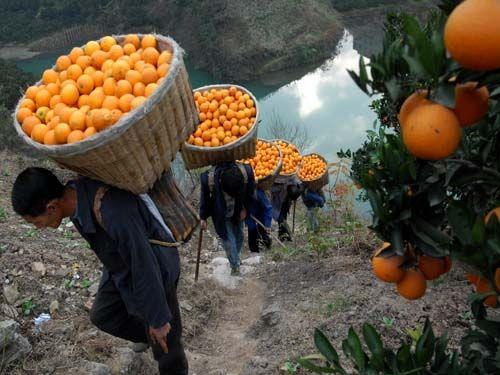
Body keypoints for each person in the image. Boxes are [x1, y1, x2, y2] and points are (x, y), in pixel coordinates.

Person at [11, 168, 188, 375]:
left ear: (51, 207)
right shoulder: (75, 202)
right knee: (103, 314)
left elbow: (143, 262)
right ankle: (150, 334)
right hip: (120, 265)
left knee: (167, 345)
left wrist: (157, 319)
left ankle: (166, 343)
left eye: (35, 222)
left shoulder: (112, 209)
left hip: (155, 265)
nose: (38, 228)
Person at [199, 162, 255, 275]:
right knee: (228, 241)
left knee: (239, 236)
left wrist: (245, 209)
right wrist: (203, 217)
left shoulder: (246, 172)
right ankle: (235, 267)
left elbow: (250, 194)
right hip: (220, 213)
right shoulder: (208, 179)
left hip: (238, 210)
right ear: (220, 183)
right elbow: (204, 197)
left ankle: (234, 258)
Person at [271, 177, 303, 241]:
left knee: (283, 217)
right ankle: (287, 234)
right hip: (277, 201)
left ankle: (282, 236)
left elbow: (296, 187)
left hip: (286, 201)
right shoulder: (275, 180)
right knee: (281, 219)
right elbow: (272, 189)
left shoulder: (291, 178)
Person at [247, 187, 273, 252]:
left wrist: (267, 224)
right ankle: (254, 250)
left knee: (263, 229)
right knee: (251, 229)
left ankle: (267, 244)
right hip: (249, 214)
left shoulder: (258, 193)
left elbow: (268, 208)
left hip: (260, 213)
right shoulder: (242, 192)